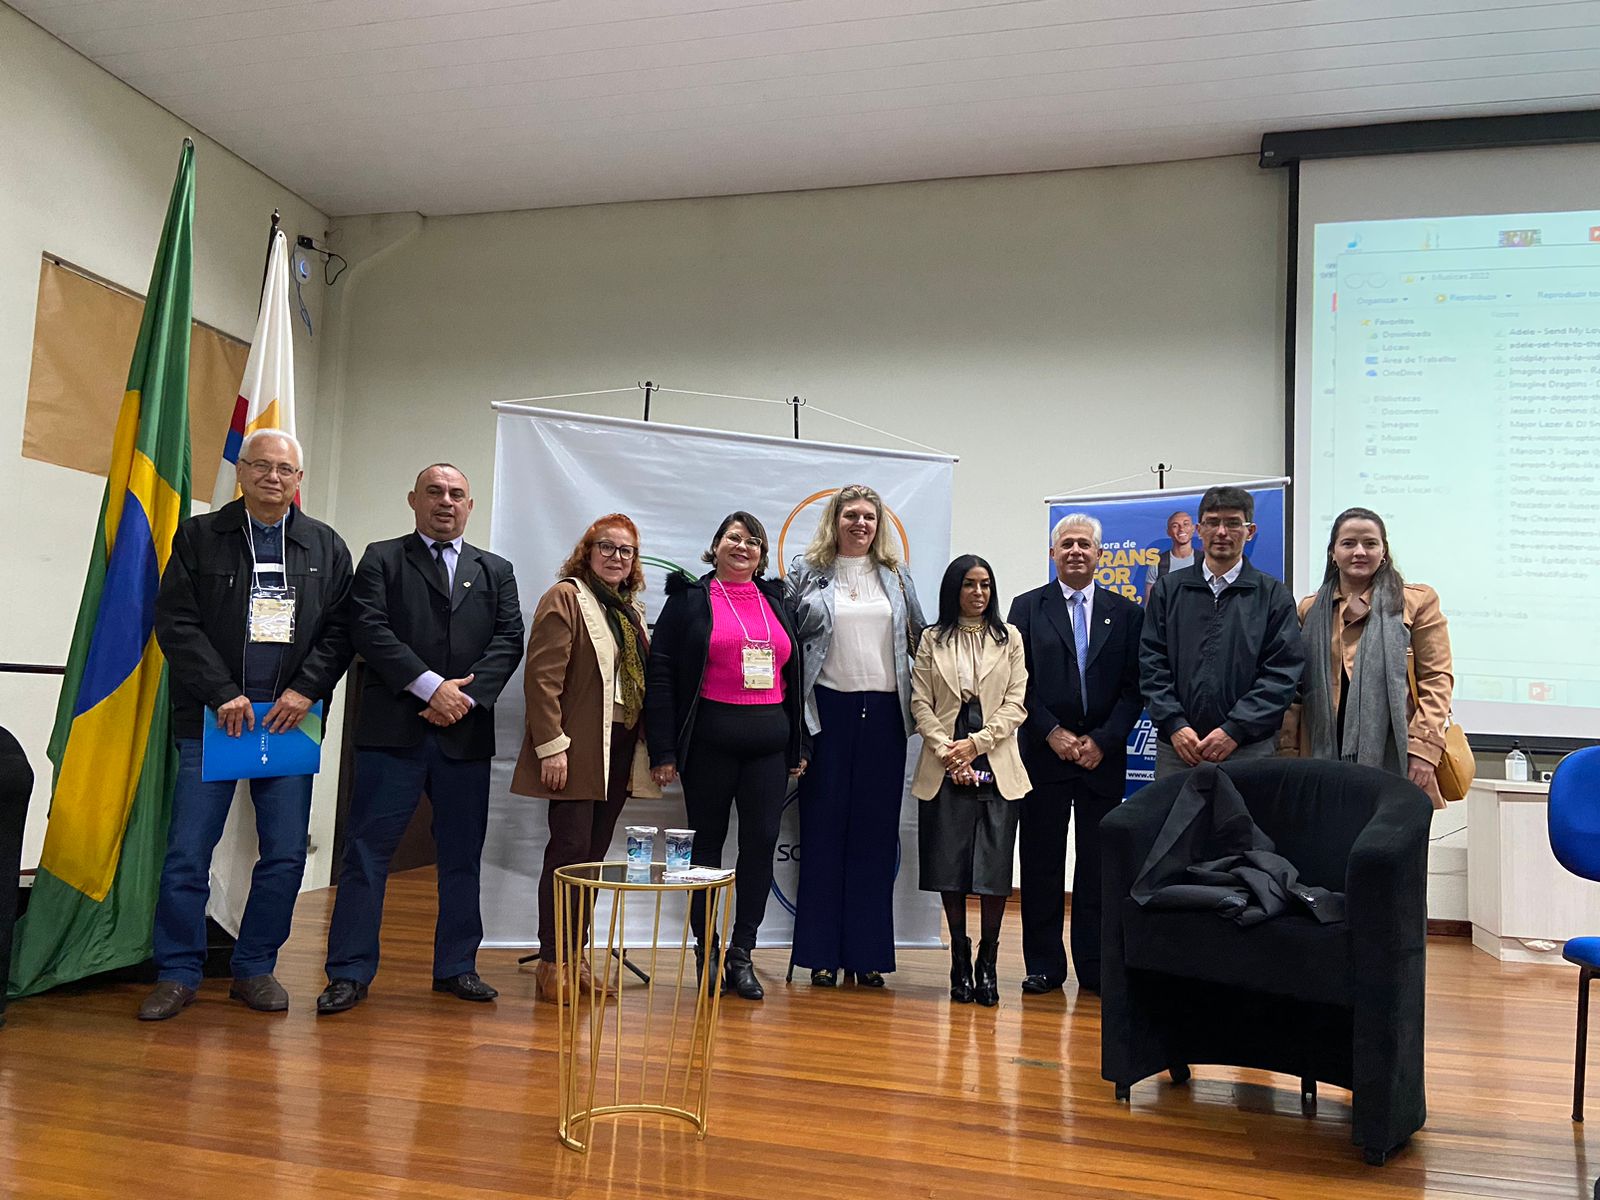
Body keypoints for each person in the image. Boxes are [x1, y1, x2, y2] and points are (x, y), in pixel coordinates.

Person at [141, 429, 353, 1021]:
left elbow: (342, 631)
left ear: (298, 479)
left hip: (289, 722)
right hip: (214, 720)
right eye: (261, 466)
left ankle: (255, 967)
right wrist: (222, 693)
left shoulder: (325, 545)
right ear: (240, 472)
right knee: (188, 853)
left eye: (285, 469)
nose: (272, 477)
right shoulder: (200, 536)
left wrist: (305, 689)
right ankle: (178, 972)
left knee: (284, 854)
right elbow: (176, 622)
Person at [317, 464, 524, 1015]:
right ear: (414, 500)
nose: (445, 502)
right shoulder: (381, 558)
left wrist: (464, 699)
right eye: (434, 492)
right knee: (366, 854)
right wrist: (432, 688)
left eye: (457, 494)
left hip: (465, 735)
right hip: (393, 734)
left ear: (470, 506)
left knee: (461, 856)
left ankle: (458, 966)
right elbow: (369, 628)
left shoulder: (496, 570)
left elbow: (509, 640)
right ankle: (349, 972)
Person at [644, 511, 805, 1001]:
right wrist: (663, 750)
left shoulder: (777, 601)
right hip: (708, 746)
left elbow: (795, 679)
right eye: (734, 538)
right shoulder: (689, 600)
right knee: (705, 851)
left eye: (753, 541)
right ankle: (706, 951)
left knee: (760, 847)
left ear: (761, 555)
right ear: (715, 546)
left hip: (769, 748)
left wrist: (799, 745)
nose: (743, 547)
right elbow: (662, 675)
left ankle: (742, 954)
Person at [512, 514, 656, 1004]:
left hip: (620, 745)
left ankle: (576, 957)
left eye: (626, 550)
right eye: (607, 547)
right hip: (576, 747)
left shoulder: (628, 611)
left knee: (592, 858)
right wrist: (551, 745)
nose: (616, 557)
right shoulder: (566, 598)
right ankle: (551, 963)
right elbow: (542, 680)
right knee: (568, 853)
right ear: (587, 551)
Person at [785, 485, 925, 989]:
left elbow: (921, 641)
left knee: (874, 837)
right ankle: (820, 955)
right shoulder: (807, 572)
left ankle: (867, 956)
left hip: (886, 716)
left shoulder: (897, 576)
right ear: (835, 520)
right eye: (851, 515)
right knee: (822, 834)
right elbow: (788, 644)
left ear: (878, 524)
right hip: (826, 714)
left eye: (869, 516)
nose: (860, 523)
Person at [1007, 514, 1143, 996]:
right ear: (1053, 554)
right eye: (1066, 544)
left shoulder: (1126, 613)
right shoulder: (1027, 608)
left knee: (1098, 866)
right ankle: (1044, 965)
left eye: (1085, 544)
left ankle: (1095, 964)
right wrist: (1051, 732)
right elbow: (1015, 682)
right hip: (1044, 755)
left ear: (1100, 555)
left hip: (1101, 758)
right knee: (1041, 863)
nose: (1076, 551)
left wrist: (1103, 740)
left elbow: (1135, 688)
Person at [911, 555, 1030, 1008]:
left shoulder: (1010, 637)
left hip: (995, 760)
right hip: (943, 763)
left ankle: (988, 961)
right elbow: (920, 703)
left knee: (994, 870)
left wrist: (976, 744)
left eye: (985, 585)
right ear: (953, 590)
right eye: (969, 584)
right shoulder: (932, 638)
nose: (978, 593)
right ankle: (959, 960)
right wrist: (949, 752)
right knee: (951, 866)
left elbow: (1016, 703)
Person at [1140, 485, 1304, 780]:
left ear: (1250, 531)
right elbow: (1151, 662)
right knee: (1174, 813)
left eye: (1233, 523)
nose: (1222, 532)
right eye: (1213, 522)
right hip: (1179, 748)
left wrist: (1235, 729)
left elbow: (1282, 672)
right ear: (1199, 530)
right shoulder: (1168, 589)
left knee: (1246, 813)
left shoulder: (1273, 595)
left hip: (1248, 747)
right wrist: (1175, 724)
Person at [1294, 507, 1454, 807]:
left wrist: (1424, 750)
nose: (1359, 551)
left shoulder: (1416, 601)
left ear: (1383, 552)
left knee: (1393, 834)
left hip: (1400, 754)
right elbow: (1297, 692)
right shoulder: (1309, 609)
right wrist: (1288, 754)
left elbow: (1437, 680)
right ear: (1333, 553)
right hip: (1322, 755)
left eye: (1370, 543)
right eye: (1348, 543)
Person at [1143, 510, 1197, 599]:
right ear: (1168, 532)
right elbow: (1150, 604)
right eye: (1175, 526)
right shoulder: (1158, 564)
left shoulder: (1206, 561)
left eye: (1186, 524)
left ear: (1193, 528)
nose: (1181, 529)